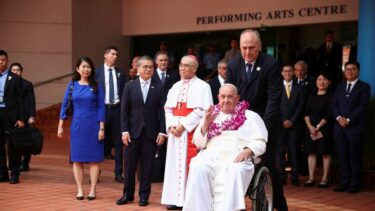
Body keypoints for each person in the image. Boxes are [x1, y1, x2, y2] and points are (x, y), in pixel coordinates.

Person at [226, 29, 288, 211]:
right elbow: (230, 94)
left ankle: (280, 206)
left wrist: (264, 130)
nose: (247, 52)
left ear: (259, 46)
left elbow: (274, 99)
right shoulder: (234, 64)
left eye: (252, 48)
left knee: (268, 165)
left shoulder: (271, 64)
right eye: (244, 48)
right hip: (240, 124)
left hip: (266, 122)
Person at [183, 84, 268, 211]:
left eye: (230, 97)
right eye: (223, 96)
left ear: (237, 98)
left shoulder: (251, 116)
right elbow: (199, 143)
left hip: (236, 157)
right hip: (211, 157)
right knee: (198, 167)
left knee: (235, 170)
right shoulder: (211, 115)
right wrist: (206, 123)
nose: (226, 100)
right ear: (218, 97)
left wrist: (249, 150)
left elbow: (260, 141)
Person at [161, 55, 213, 210]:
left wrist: (183, 125)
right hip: (175, 133)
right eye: (181, 65)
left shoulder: (203, 86)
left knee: (190, 166)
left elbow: (202, 110)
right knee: (173, 166)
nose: (182, 68)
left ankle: (188, 200)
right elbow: (168, 108)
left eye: (186, 65)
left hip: (190, 131)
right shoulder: (175, 86)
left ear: (195, 68)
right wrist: (171, 126)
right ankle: (174, 199)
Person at [116, 56, 166, 206]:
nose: (148, 69)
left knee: (147, 166)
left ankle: (144, 196)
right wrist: (124, 131)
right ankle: (127, 194)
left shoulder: (158, 87)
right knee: (129, 166)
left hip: (151, 134)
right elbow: (124, 111)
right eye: (145, 67)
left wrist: (162, 132)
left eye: (151, 67)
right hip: (132, 133)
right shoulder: (129, 86)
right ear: (138, 69)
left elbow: (162, 112)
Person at [57, 57, 105, 200]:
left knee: (94, 159)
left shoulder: (97, 86)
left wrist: (102, 128)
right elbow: (65, 104)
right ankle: (79, 189)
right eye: (83, 67)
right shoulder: (72, 85)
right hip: (77, 126)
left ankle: (92, 190)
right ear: (78, 69)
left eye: (89, 67)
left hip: (93, 125)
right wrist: (60, 125)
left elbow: (101, 107)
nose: (86, 69)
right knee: (77, 159)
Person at [333, 61, 371, 193]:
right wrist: (339, 118)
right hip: (340, 129)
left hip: (354, 128)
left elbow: (362, 107)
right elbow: (334, 105)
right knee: (342, 156)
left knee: (354, 157)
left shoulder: (365, 87)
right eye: (347, 69)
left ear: (358, 71)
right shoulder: (339, 87)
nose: (349, 71)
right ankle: (344, 182)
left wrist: (348, 120)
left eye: (353, 69)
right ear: (344, 71)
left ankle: (354, 184)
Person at [95, 46, 126, 183]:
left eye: (116, 54)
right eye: (112, 54)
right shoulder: (97, 73)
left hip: (117, 110)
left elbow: (125, 93)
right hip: (102, 110)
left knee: (118, 142)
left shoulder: (121, 73)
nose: (115, 56)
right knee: (98, 141)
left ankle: (118, 172)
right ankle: (96, 172)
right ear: (105, 55)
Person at [276, 65, 306, 186]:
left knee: (294, 151)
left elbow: (301, 106)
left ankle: (295, 177)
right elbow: (274, 105)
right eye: (285, 71)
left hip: (295, 125)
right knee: (280, 152)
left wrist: (292, 120)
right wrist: (282, 120)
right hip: (280, 124)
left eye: (289, 71)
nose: (287, 73)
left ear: (293, 73)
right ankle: (282, 177)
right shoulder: (277, 87)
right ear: (282, 73)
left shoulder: (300, 88)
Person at [303, 72, 334, 188]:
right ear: (316, 82)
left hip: (325, 128)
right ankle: (311, 178)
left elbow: (329, 113)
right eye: (319, 79)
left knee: (325, 153)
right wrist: (310, 127)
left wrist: (318, 127)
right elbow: (306, 113)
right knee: (311, 152)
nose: (321, 82)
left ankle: (324, 178)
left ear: (329, 82)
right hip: (310, 129)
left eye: (324, 80)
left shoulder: (331, 96)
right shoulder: (311, 97)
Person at [0, 50, 25, 184]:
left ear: (7, 60)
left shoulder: (14, 78)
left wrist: (21, 118)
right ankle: (2, 173)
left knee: (12, 146)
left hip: (10, 116)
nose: (0, 62)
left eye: (3, 60)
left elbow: (20, 99)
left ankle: (14, 173)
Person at [10, 63, 36, 172]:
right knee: (13, 142)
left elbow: (31, 101)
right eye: (13, 70)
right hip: (11, 118)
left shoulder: (27, 84)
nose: (15, 72)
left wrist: (32, 116)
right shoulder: (7, 84)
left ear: (21, 71)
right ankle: (15, 163)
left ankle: (25, 163)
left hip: (25, 117)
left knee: (26, 141)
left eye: (18, 70)